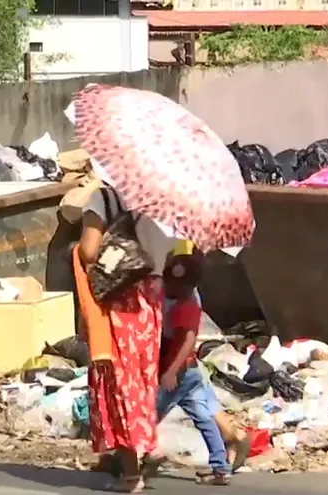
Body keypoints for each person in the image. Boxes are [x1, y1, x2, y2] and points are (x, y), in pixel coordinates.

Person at [74, 186, 174, 493]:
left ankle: (131, 472)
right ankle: (147, 443)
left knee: (119, 380)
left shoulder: (104, 198)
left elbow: (90, 251)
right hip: (152, 296)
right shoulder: (164, 201)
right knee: (143, 378)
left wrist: (77, 251)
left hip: (118, 295)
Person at [151, 246, 233, 484]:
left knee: (150, 414)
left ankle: (140, 458)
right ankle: (221, 468)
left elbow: (188, 342)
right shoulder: (174, 299)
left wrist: (170, 372)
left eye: (175, 285)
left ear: (188, 286)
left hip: (180, 372)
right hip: (191, 372)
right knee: (204, 417)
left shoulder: (188, 306)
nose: (170, 288)